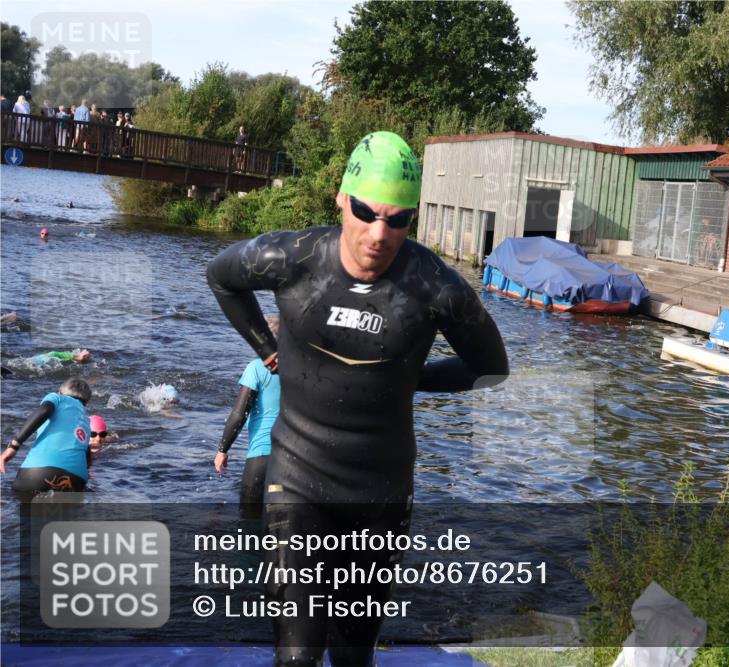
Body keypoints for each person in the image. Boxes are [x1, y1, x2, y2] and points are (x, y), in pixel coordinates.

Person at [206, 130, 508, 666]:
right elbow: (221, 278)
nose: (378, 233)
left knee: (352, 655)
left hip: (380, 490)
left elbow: (491, 370)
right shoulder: (291, 256)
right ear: (342, 198)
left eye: (398, 219)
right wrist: (268, 349)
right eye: (367, 211)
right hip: (297, 474)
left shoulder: (436, 287)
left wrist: (412, 378)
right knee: (297, 655)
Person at [214, 314, 281, 512]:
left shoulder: (256, 368)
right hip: (295, 461)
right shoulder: (301, 368)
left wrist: (222, 450)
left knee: (250, 524)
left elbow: (239, 414)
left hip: (262, 456)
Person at [0, 377, 93, 495]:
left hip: (39, 473)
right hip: (77, 480)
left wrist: (14, 445)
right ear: (85, 402)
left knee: (20, 507)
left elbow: (44, 410)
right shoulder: (86, 418)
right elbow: (86, 454)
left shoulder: (57, 398)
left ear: (60, 392)